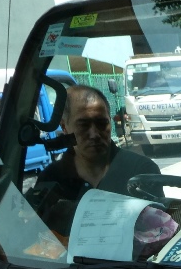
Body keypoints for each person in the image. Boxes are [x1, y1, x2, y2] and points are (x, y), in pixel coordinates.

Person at [32, 85, 160, 239]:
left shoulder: (142, 171)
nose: (94, 134)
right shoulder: (50, 180)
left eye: (101, 123)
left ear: (110, 123)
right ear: (64, 127)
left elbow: (158, 233)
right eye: (83, 125)